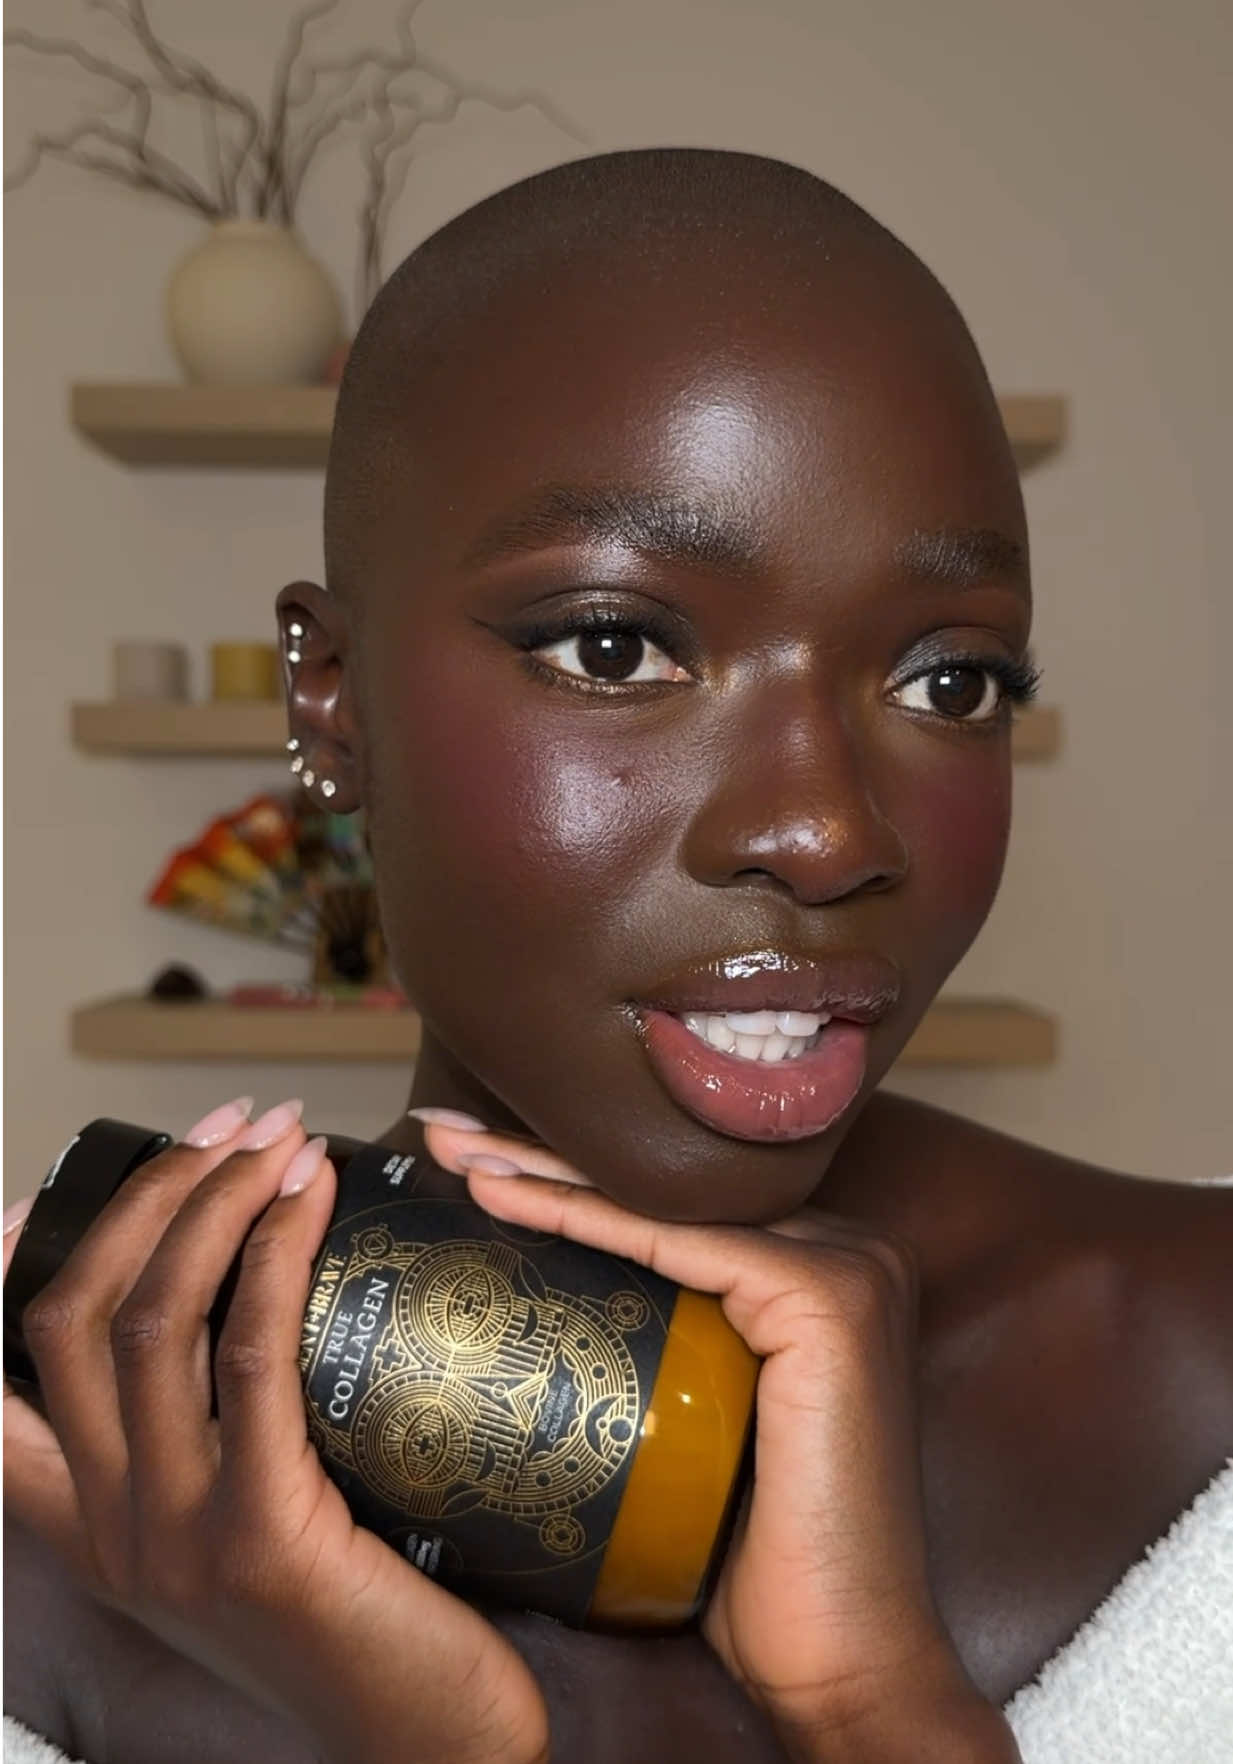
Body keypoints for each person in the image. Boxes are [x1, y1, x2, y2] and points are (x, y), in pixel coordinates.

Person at [4, 147, 1231, 1764]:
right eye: (613, 644)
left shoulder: (1203, 1360)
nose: (825, 832)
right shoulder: (55, 1523)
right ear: (331, 698)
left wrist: (874, 1706)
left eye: (949, 681)